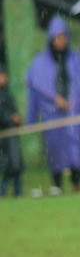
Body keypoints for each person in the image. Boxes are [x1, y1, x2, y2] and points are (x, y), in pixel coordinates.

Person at [26, 16, 80, 195]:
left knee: (76, 148)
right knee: (55, 150)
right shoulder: (40, 63)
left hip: (73, 112)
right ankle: (57, 184)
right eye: (57, 38)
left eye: (63, 37)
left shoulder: (77, 59)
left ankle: (77, 183)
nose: (60, 42)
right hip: (52, 114)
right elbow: (35, 90)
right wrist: (53, 101)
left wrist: (74, 102)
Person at [0, 65, 24, 197]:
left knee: (15, 166)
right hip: (4, 136)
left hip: (12, 135)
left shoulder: (7, 93)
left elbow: (13, 110)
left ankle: (18, 192)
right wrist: (10, 119)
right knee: (9, 167)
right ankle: (3, 192)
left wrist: (17, 118)